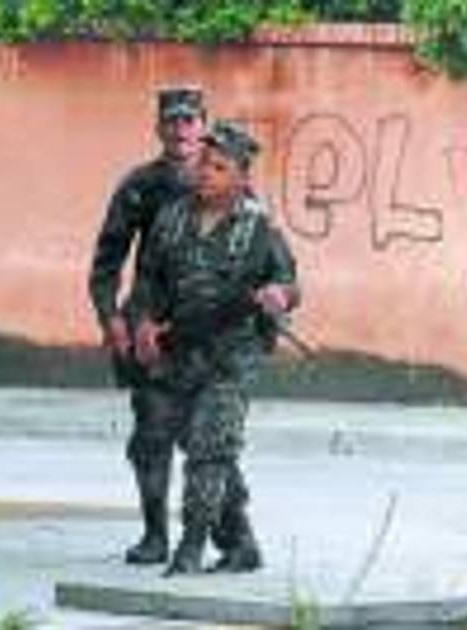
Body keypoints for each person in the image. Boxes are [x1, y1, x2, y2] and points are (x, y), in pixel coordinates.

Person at [132, 120, 300, 575]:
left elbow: (289, 283)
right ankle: (240, 544)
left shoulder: (258, 226)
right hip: (180, 351)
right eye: (204, 163)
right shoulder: (173, 217)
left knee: (209, 447)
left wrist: (279, 296)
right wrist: (143, 322)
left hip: (233, 355)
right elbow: (148, 279)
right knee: (203, 444)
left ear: (242, 177)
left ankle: (191, 547)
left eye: (219, 167)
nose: (206, 172)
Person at [87, 86, 207, 565]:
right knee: (152, 436)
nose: (180, 130)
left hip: (205, 333)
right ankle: (155, 535)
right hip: (149, 329)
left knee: (208, 441)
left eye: (189, 120)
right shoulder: (141, 185)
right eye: (172, 121)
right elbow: (106, 261)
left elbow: (260, 256)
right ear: (158, 127)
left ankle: (214, 538)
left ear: (203, 126)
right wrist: (111, 317)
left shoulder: (226, 181)